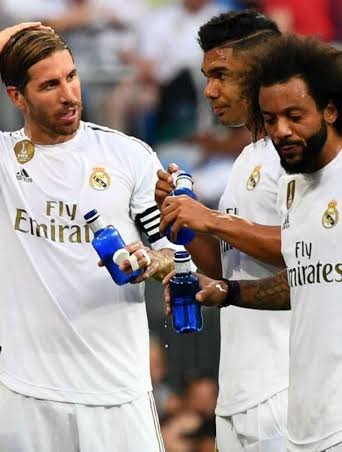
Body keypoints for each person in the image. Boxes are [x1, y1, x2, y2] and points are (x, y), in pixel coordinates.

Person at [0, 22, 180, 451]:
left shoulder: (128, 155)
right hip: (28, 391)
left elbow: (176, 256)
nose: (69, 94)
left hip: (117, 388)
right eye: (50, 85)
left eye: (71, 77)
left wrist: (150, 260)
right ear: (16, 96)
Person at [163, 34, 342, 452]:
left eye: (294, 116)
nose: (281, 131)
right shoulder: (286, 178)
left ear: (330, 110)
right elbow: (303, 276)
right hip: (293, 410)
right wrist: (228, 290)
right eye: (271, 118)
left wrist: (213, 220)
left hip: (289, 392)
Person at [154, 10, 289, 451]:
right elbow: (225, 269)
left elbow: (310, 252)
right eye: (207, 76)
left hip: (287, 386)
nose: (210, 90)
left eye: (221, 75)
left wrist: (211, 219)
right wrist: (184, 220)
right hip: (237, 391)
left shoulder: (296, 156)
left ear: (261, 72)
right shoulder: (248, 157)